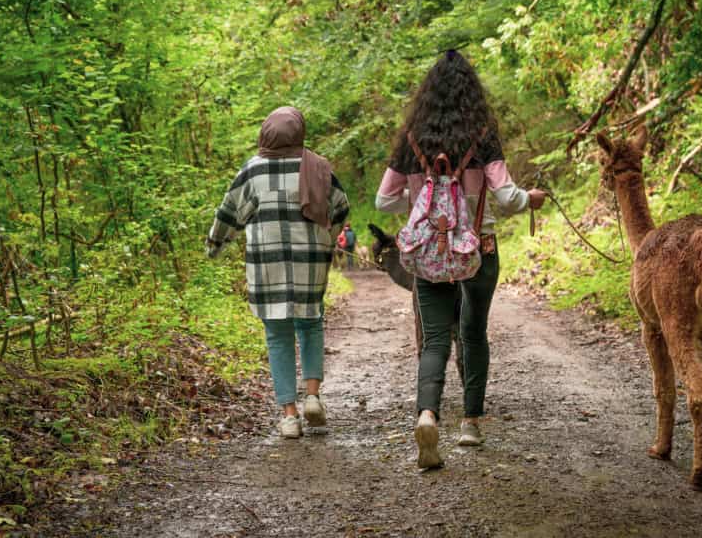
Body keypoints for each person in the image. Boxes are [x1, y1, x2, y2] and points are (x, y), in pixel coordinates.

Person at [374, 50, 545, 468]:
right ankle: (470, 423)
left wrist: (420, 207)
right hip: (478, 249)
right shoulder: (482, 135)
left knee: (434, 340)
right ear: (471, 91)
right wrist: (531, 200)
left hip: (429, 255)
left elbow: (383, 200)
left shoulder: (414, 138)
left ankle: (428, 414)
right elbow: (507, 197)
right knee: (472, 333)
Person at [207, 106, 350, 438]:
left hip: (266, 266)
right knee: (311, 324)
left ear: (265, 133)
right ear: (299, 132)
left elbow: (230, 213)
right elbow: (340, 208)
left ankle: (289, 416)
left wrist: (215, 244)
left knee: (277, 335)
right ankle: (312, 396)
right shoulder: (318, 166)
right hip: (310, 263)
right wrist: (328, 238)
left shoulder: (252, 171)